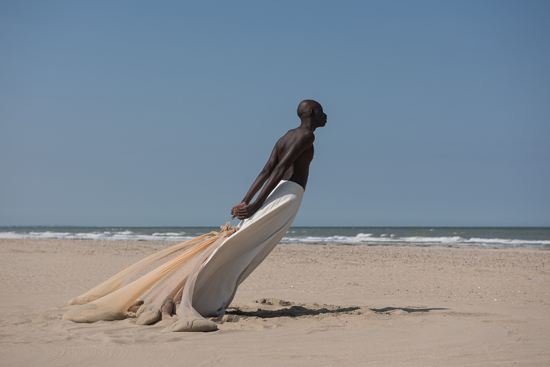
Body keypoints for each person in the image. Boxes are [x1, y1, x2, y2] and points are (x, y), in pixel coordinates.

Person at [231, 99, 327, 220]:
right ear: (312, 112)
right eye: (321, 111)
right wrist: (257, 203)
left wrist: (246, 200)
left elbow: (266, 171)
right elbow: (280, 168)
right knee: (264, 233)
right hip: (290, 192)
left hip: (276, 189)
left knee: (255, 229)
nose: (325, 115)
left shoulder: (285, 137)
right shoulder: (307, 135)